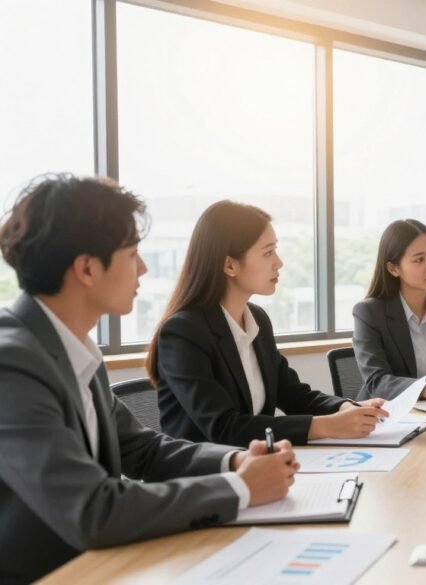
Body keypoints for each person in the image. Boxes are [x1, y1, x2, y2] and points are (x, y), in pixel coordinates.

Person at [0, 176, 298, 584]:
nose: (142, 268)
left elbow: (142, 449)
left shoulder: (72, 346)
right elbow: (92, 509)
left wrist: (234, 460)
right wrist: (240, 489)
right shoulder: (12, 362)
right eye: (132, 254)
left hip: (103, 565)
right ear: (87, 268)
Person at [148, 201, 387, 447]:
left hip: (255, 467)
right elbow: (223, 427)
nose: (279, 262)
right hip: (203, 478)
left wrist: (347, 407)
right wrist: (324, 426)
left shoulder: (257, 320)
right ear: (230, 265)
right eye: (267, 252)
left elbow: (293, 394)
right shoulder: (183, 333)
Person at [352, 219, 426, 401]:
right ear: (393, 268)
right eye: (419, 259)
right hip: (386, 416)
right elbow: (377, 381)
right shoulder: (369, 313)